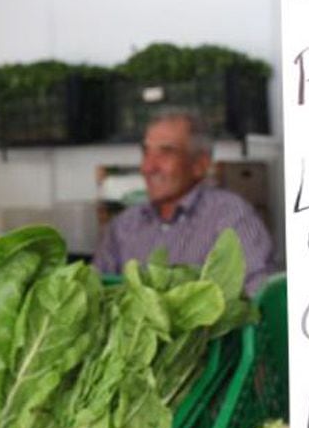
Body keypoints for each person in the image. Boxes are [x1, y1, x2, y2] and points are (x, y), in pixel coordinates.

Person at [92, 110, 276, 294]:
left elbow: (258, 296)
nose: (148, 167)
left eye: (166, 152)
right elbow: (96, 296)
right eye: (146, 152)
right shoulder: (123, 227)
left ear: (200, 165)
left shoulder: (232, 217)